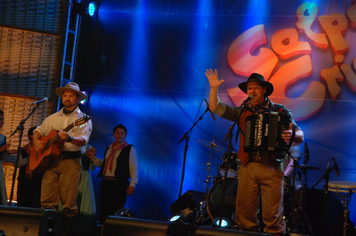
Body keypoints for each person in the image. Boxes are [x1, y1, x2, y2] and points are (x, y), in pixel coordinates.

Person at [205, 69, 304, 236]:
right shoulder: (242, 111)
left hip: (272, 167)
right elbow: (215, 107)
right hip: (248, 166)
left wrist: (292, 135)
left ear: (264, 90)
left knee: (273, 217)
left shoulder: (281, 111)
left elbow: (300, 135)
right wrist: (214, 88)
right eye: (249, 88)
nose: (251, 91)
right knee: (244, 215)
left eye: (255, 87)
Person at [32, 82, 92, 236]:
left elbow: (83, 140)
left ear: (77, 98)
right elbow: (38, 131)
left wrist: (70, 138)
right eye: (65, 95)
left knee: (68, 204)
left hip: (71, 162)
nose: (67, 98)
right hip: (51, 162)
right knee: (46, 200)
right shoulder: (53, 118)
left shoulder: (83, 119)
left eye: (70, 96)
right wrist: (36, 140)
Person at [86, 124, 138, 225]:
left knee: (116, 209)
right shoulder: (109, 147)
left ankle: (113, 231)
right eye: (117, 133)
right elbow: (104, 164)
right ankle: (103, 230)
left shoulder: (129, 149)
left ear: (125, 135)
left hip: (119, 183)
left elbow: (133, 166)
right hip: (106, 182)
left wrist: (133, 184)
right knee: (104, 208)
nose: (119, 135)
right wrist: (93, 158)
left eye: (122, 133)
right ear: (113, 134)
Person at [16, 126, 43, 208]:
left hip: (36, 181)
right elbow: (16, 164)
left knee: (34, 203)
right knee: (22, 203)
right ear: (31, 136)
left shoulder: (41, 150)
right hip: (24, 180)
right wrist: (29, 158)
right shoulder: (23, 149)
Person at [0, 109, 16, 205]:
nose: (1, 122)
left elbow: (3, 157)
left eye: (2, 119)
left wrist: (8, 152)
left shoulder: (2, 137)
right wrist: (2, 148)